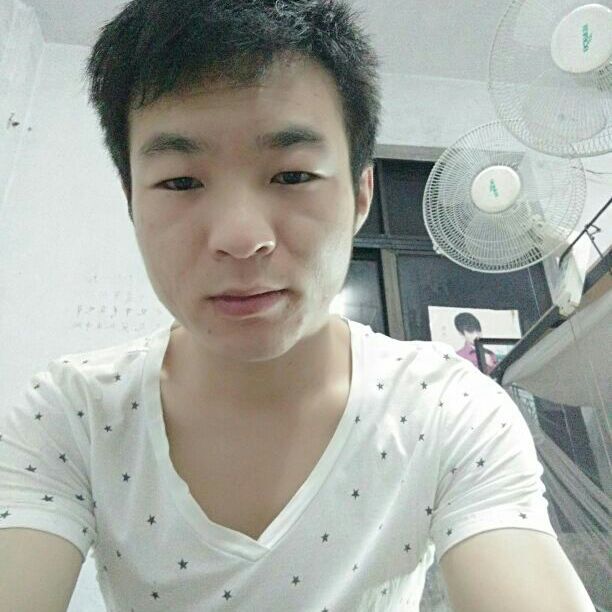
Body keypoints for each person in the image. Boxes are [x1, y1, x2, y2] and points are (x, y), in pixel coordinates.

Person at [3, 2, 581, 611]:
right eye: (180, 182)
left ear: (360, 194)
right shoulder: (72, 415)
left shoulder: (448, 411)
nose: (240, 237)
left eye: (292, 175)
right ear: (131, 202)